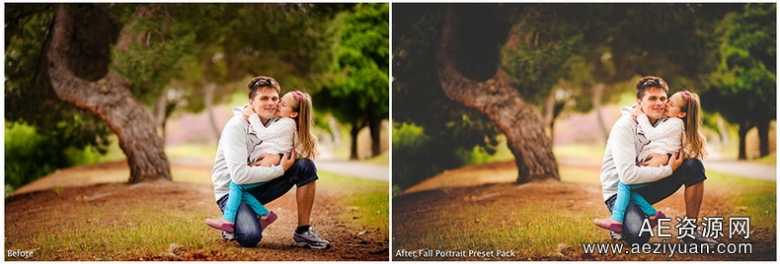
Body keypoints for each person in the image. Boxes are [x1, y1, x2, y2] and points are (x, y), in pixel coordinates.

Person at [209, 76, 329, 249]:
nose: (271, 103)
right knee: (250, 236)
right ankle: (239, 219)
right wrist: (280, 169)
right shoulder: (236, 127)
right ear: (251, 101)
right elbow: (239, 176)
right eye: (264, 98)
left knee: (306, 166)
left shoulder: (279, 120)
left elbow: (294, 145)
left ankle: (303, 231)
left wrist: (278, 157)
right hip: (231, 191)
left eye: (275, 99)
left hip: (258, 182)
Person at [598, 76, 715, 244]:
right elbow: (627, 177)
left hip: (645, 183)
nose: (660, 103)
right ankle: (624, 219)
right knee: (639, 236)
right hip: (619, 191)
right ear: (639, 101)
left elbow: (676, 143)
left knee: (693, 166)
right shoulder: (624, 127)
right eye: (652, 98)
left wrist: (666, 157)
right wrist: (668, 169)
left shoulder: (665, 119)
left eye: (663, 99)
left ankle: (690, 231)